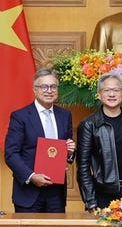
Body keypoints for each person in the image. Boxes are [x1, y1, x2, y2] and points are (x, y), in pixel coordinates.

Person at [4, 68, 76, 213]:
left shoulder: (65, 116)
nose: (49, 90)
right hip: (28, 192)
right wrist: (31, 176)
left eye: (53, 86)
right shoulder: (20, 116)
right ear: (35, 90)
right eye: (44, 86)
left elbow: (67, 156)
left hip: (56, 193)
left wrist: (70, 151)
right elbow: (11, 153)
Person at [76, 72, 122, 211]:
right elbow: (83, 167)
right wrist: (90, 201)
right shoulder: (89, 124)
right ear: (99, 94)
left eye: (116, 90)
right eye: (107, 90)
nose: (112, 94)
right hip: (103, 195)